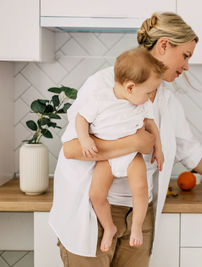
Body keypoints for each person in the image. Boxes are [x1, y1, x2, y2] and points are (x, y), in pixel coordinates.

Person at [49, 11, 202, 267]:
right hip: (94, 215)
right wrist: (135, 143)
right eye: (185, 55)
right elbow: (73, 148)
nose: (186, 66)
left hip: (140, 219)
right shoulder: (105, 84)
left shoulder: (167, 101)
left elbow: (193, 155)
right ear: (164, 45)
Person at [74, 48, 166, 252]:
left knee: (140, 190)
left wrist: (159, 149)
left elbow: (151, 126)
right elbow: (80, 119)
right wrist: (84, 139)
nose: (151, 97)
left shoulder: (140, 104)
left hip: (132, 157)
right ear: (131, 87)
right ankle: (109, 227)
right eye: (148, 92)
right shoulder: (99, 99)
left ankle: (136, 228)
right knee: (96, 195)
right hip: (107, 159)